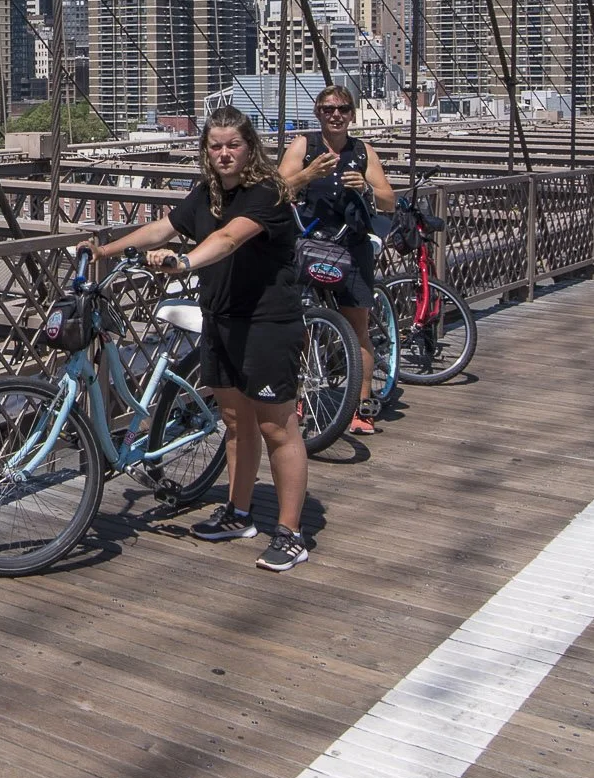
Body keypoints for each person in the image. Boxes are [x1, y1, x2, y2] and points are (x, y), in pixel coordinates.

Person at [94, 107, 317, 572]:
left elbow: (232, 239)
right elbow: (165, 226)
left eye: (232, 144)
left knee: (278, 426)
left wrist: (184, 264)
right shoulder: (207, 194)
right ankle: (239, 513)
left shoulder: (267, 192)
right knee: (235, 423)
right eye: (215, 145)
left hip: (267, 322)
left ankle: (291, 532)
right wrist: (104, 249)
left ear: (249, 147)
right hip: (221, 318)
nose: (223, 153)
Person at [280, 85, 396, 431]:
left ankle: (360, 407)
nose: (336, 115)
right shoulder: (304, 146)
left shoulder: (363, 152)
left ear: (352, 115)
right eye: (328, 109)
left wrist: (365, 186)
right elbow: (274, 189)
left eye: (343, 109)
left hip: (351, 246)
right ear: (318, 113)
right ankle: (296, 400)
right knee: (297, 327)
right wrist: (307, 175)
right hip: (308, 243)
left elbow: (389, 200)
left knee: (357, 327)